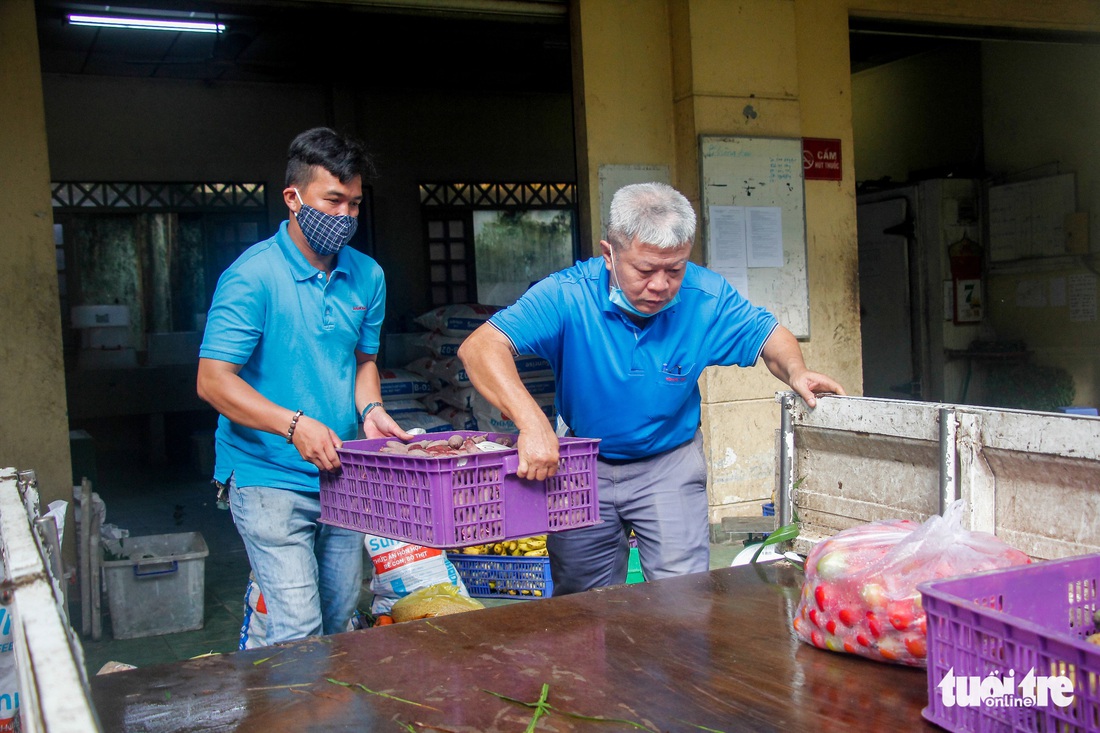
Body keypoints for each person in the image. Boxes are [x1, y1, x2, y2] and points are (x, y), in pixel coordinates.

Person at [458, 182, 845, 594]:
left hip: (669, 464)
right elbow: (480, 347)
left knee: (683, 598)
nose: (661, 285)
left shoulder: (705, 296)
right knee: (583, 603)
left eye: (674, 269)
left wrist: (796, 370)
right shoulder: (568, 294)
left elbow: (769, 334)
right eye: (645, 270)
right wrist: (533, 423)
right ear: (609, 255)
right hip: (581, 467)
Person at [197, 127, 411, 645]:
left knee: (340, 625)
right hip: (268, 476)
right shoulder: (252, 277)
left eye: (355, 204)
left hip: (342, 472)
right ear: (293, 198)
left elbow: (363, 361)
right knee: (299, 629)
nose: (345, 216)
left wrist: (370, 410)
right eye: (333, 200)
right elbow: (212, 381)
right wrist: (292, 425)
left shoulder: (369, 276)